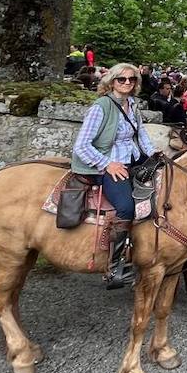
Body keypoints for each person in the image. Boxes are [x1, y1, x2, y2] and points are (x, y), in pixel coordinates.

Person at [71, 63, 156, 288]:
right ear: (111, 81)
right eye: (122, 79)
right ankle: (115, 266)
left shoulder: (132, 105)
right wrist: (107, 164)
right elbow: (81, 145)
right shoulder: (101, 107)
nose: (127, 83)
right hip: (108, 163)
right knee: (126, 207)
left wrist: (154, 154)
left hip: (133, 159)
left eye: (132, 79)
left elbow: (141, 134)